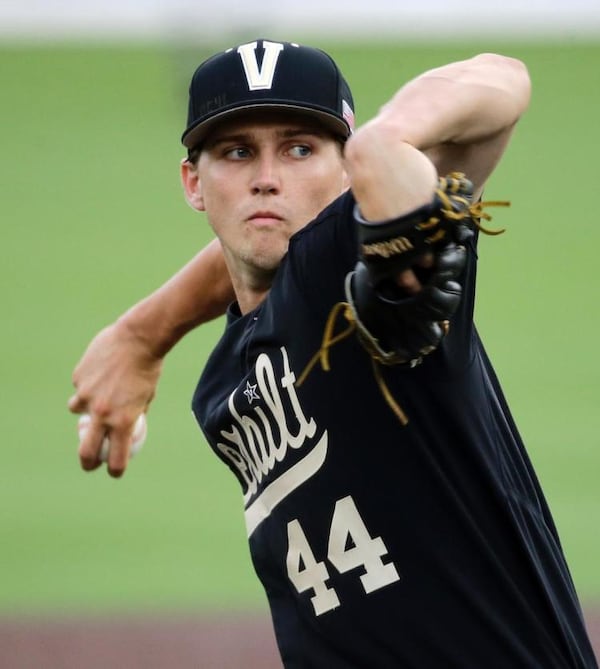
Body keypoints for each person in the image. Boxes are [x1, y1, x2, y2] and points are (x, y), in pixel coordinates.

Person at [69, 38, 598, 667]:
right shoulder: (221, 379)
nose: (267, 177)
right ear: (193, 183)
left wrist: (389, 139)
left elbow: (503, 81)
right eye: (237, 152)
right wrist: (142, 333)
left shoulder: (356, 265)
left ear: (348, 172)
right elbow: (256, 254)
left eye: (300, 149)